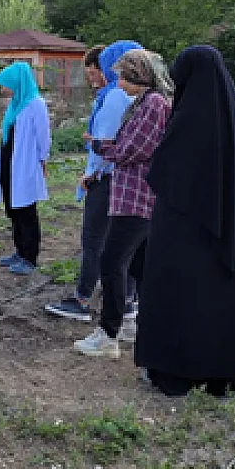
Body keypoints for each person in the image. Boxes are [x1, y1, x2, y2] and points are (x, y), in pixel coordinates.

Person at [136, 45, 235, 396]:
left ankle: (174, 373)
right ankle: (220, 377)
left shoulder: (188, 121)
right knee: (218, 301)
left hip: (181, 232)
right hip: (225, 233)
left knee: (177, 298)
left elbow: (161, 174)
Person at [73, 49, 173, 358]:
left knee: (112, 260)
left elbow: (134, 149)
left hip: (137, 197)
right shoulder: (146, 102)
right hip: (134, 194)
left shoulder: (154, 104)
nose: (117, 83)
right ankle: (133, 320)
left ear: (138, 76)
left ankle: (108, 334)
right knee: (138, 263)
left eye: (121, 77)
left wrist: (101, 146)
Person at [46, 40, 141, 322]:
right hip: (128, 178)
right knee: (127, 242)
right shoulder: (144, 96)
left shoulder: (115, 96)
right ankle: (129, 299)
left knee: (94, 238)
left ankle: (83, 299)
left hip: (107, 177)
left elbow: (105, 140)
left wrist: (92, 172)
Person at [0, 62, 50, 275]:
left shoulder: (36, 104)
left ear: (17, 82)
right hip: (9, 165)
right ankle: (19, 251)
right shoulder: (15, 104)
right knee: (13, 209)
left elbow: (44, 137)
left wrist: (43, 160)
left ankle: (30, 257)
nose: (3, 89)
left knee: (26, 212)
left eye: (6, 84)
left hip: (25, 166)